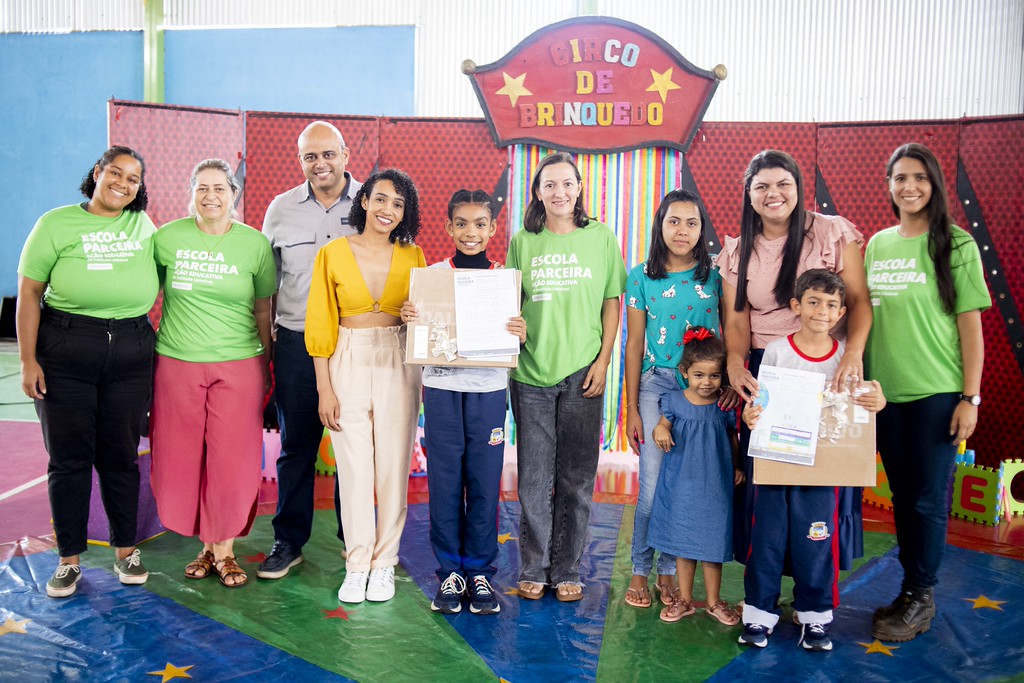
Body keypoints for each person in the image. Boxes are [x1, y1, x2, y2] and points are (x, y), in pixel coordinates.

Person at [718, 149, 872, 566]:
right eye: (762, 186)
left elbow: (858, 301)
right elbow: (736, 322)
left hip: (828, 368)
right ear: (749, 195)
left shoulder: (830, 232)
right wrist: (735, 364)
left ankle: (816, 589)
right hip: (768, 371)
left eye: (783, 184)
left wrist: (853, 355)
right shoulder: (737, 252)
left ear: (799, 188)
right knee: (770, 480)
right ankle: (766, 587)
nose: (774, 193)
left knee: (824, 480)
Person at [16, 146, 158, 597]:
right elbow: (28, 293)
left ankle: (125, 550)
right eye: (115, 172)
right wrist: (27, 359)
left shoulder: (143, 224)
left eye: (133, 178)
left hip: (132, 350)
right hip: (66, 348)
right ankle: (69, 559)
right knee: (70, 458)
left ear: (139, 188)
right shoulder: (56, 223)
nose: (123, 183)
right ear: (97, 173)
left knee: (120, 456)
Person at [866, 143, 990, 643]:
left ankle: (921, 596)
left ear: (934, 184)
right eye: (900, 178)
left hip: (937, 394)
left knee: (925, 502)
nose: (909, 187)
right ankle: (910, 589)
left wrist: (970, 398)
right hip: (884, 396)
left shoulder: (956, 244)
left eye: (919, 177)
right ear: (890, 184)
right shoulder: (876, 245)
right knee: (902, 496)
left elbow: (971, 329)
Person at [739, 269, 886, 652]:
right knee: (767, 541)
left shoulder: (845, 359)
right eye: (814, 301)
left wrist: (877, 401)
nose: (822, 311)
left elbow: (858, 408)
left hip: (823, 474)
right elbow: (761, 403)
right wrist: (750, 415)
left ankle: (815, 617)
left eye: (832, 305)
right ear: (796, 306)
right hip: (776, 466)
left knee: (817, 541)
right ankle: (758, 614)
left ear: (841, 314)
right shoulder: (776, 351)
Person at [506, 152, 627, 603]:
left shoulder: (600, 238)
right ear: (537, 192)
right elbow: (509, 300)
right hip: (531, 373)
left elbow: (612, 301)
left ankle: (568, 568)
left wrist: (604, 359)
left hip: (584, 372)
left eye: (567, 184)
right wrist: (511, 323)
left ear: (579, 188)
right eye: (549, 185)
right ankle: (534, 567)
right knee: (535, 480)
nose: (560, 192)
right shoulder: (523, 240)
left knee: (576, 479)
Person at [149, 158, 276, 588]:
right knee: (182, 457)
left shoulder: (254, 245)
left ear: (233, 195)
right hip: (177, 361)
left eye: (220, 188)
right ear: (191, 192)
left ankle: (224, 551)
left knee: (231, 458)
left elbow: (263, 308)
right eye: (202, 187)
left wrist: (268, 359)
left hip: (239, 363)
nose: (210, 196)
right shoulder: (166, 238)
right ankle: (203, 546)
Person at [400, 189, 527, 615]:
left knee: (484, 484)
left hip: (488, 392)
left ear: (492, 229)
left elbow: (513, 338)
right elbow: (419, 332)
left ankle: (479, 573)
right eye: (462, 224)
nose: (470, 232)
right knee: (446, 483)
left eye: (480, 224)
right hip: (441, 391)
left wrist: (518, 332)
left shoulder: (504, 279)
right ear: (449, 227)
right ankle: (451, 574)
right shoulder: (432, 276)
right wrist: (409, 319)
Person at [306, 168, 425, 604]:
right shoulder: (333, 253)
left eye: (398, 203)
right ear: (364, 201)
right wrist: (325, 388)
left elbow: (429, 317)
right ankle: (356, 564)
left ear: (405, 212)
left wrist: (417, 316)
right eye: (380, 199)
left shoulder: (414, 255)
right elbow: (320, 320)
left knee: (394, 467)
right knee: (354, 468)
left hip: (399, 357)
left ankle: (384, 564)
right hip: (347, 357)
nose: (387, 209)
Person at [258, 121, 361, 580]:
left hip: (354, 342)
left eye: (328, 154)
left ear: (345, 154)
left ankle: (354, 540)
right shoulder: (280, 210)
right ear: (300, 161)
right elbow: (266, 288)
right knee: (295, 445)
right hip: (297, 342)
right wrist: (267, 349)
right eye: (309, 157)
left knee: (354, 445)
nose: (320, 164)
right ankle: (288, 541)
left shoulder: (371, 202)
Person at [622, 189, 734, 609]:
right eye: (673, 221)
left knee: (685, 484)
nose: (682, 230)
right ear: (660, 226)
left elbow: (730, 331)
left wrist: (725, 382)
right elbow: (633, 345)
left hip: (703, 387)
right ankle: (640, 569)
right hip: (657, 384)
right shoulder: (640, 277)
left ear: (702, 229)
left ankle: (668, 574)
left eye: (691, 222)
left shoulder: (716, 277)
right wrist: (632, 408)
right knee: (652, 484)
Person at [647, 329, 743, 626]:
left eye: (714, 376)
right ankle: (685, 599)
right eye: (699, 375)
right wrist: (661, 431)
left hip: (716, 484)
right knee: (684, 545)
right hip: (681, 486)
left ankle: (714, 602)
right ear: (684, 372)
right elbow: (660, 426)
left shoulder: (723, 406)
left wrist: (738, 466)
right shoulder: (674, 401)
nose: (707, 382)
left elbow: (732, 438)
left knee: (713, 546)